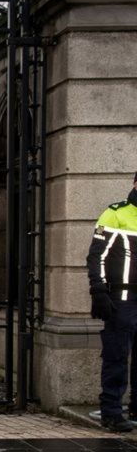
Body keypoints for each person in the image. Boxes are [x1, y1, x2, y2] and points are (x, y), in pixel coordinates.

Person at [87, 171, 137, 433]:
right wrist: (98, 290)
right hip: (123, 299)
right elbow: (96, 256)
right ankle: (111, 412)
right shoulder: (115, 213)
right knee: (117, 355)